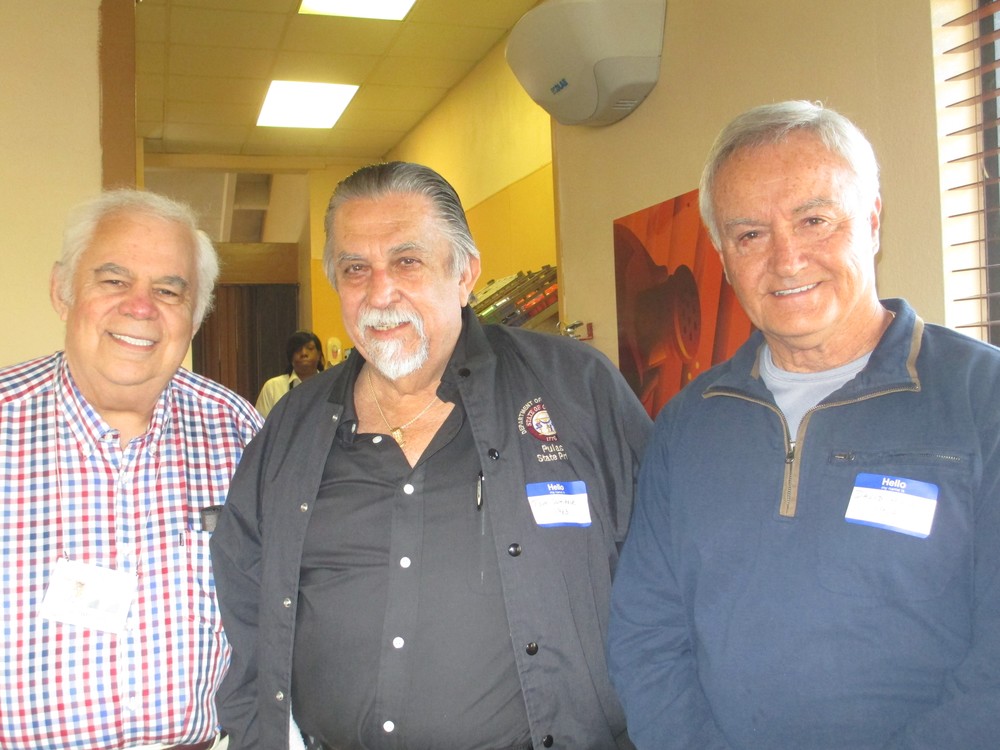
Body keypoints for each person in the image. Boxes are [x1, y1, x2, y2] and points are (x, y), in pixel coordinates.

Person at [210, 161, 652, 750]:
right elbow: (243, 595)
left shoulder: (575, 389)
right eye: (355, 269)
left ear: (464, 273)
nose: (380, 292)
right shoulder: (293, 425)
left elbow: (667, 578)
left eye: (407, 261)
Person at [607, 100, 1000, 749]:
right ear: (724, 256)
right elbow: (646, 636)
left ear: (871, 222)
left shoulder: (982, 398)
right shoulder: (686, 424)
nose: (786, 260)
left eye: (814, 220)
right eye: (750, 235)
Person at [0, 189, 263, 750]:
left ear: (195, 316)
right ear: (63, 291)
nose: (140, 307)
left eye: (169, 290)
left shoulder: (240, 433)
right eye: (114, 280)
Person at [255, 329, 325, 417]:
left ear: (319, 355)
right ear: (291, 358)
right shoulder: (273, 387)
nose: (304, 353)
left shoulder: (331, 385)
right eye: (298, 349)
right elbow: (260, 423)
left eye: (310, 348)